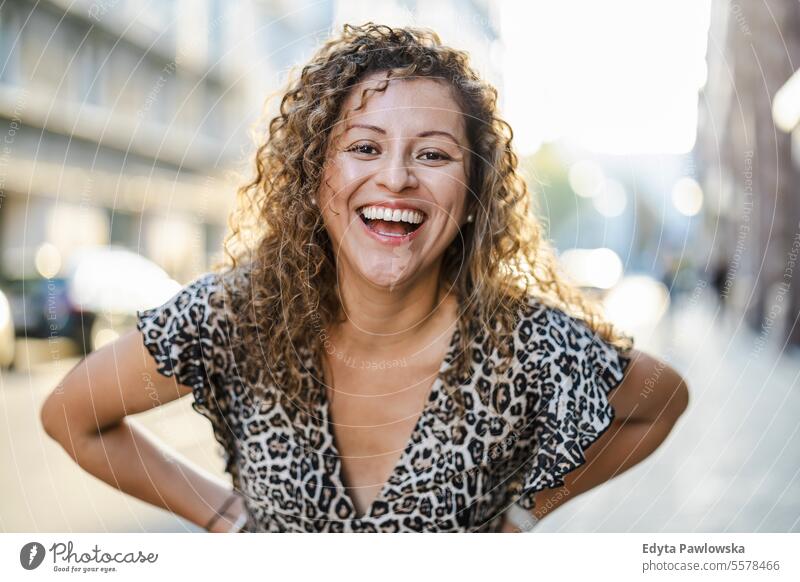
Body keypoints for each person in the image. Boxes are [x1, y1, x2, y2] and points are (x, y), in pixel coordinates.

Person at [40, 22, 689, 533]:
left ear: (471, 193)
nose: (397, 178)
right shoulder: (236, 314)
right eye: (364, 147)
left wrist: (526, 511)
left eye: (433, 154)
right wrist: (221, 516)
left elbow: (661, 401)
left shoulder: (523, 341)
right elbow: (72, 414)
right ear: (315, 176)